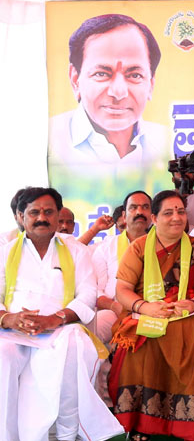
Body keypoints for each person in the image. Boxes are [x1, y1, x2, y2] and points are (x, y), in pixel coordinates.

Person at [0, 187, 123, 441]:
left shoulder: (75, 250)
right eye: (34, 212)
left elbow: (88, 293)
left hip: (59, 329)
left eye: (48, 212)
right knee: (2, 355)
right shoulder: (5, 251)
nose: (41, 218)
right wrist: (9, 319)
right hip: (14, 332)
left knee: (75, 344)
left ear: (58, 216)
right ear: (21, 217)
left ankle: (68, 434)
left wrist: (55, 319)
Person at [108, 190, 194, 441]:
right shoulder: (139, 247)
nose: (176, 217)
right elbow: (122, 289)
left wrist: (193, 303)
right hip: (146, 310)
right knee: (139, 337)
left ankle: (192, 420)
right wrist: (144, 307)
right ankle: (141, 422)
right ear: (154, 218)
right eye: (168, 212)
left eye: (181, 211)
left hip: (185, 311)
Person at [48, 14, 166, 170]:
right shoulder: (46, 139)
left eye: (135, 75)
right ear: (75, 79)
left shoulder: (168, 142)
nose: (118, 92)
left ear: (151, 83)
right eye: (102, 74)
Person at [91, 190, 152, 343]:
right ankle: (104, 366)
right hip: (116, 309)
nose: (139, 212)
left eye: (145, 207)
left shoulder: (163, 244)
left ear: (153, 215)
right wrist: (113, 306)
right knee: (92, 329)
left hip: (154, 308)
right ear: (124, 216)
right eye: (133, 207)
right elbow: (95, 290)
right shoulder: (106, 247)